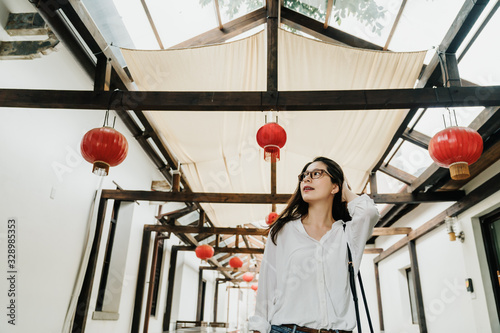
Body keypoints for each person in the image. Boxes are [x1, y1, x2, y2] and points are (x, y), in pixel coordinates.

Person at [248, 156, 379, 333]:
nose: (307, 179)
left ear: (335, 186)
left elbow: (368, 212)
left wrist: (345, 190)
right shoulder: (283, 231)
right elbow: (267, 288)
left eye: (317, 173)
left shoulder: (347, 234)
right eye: (304, 175)